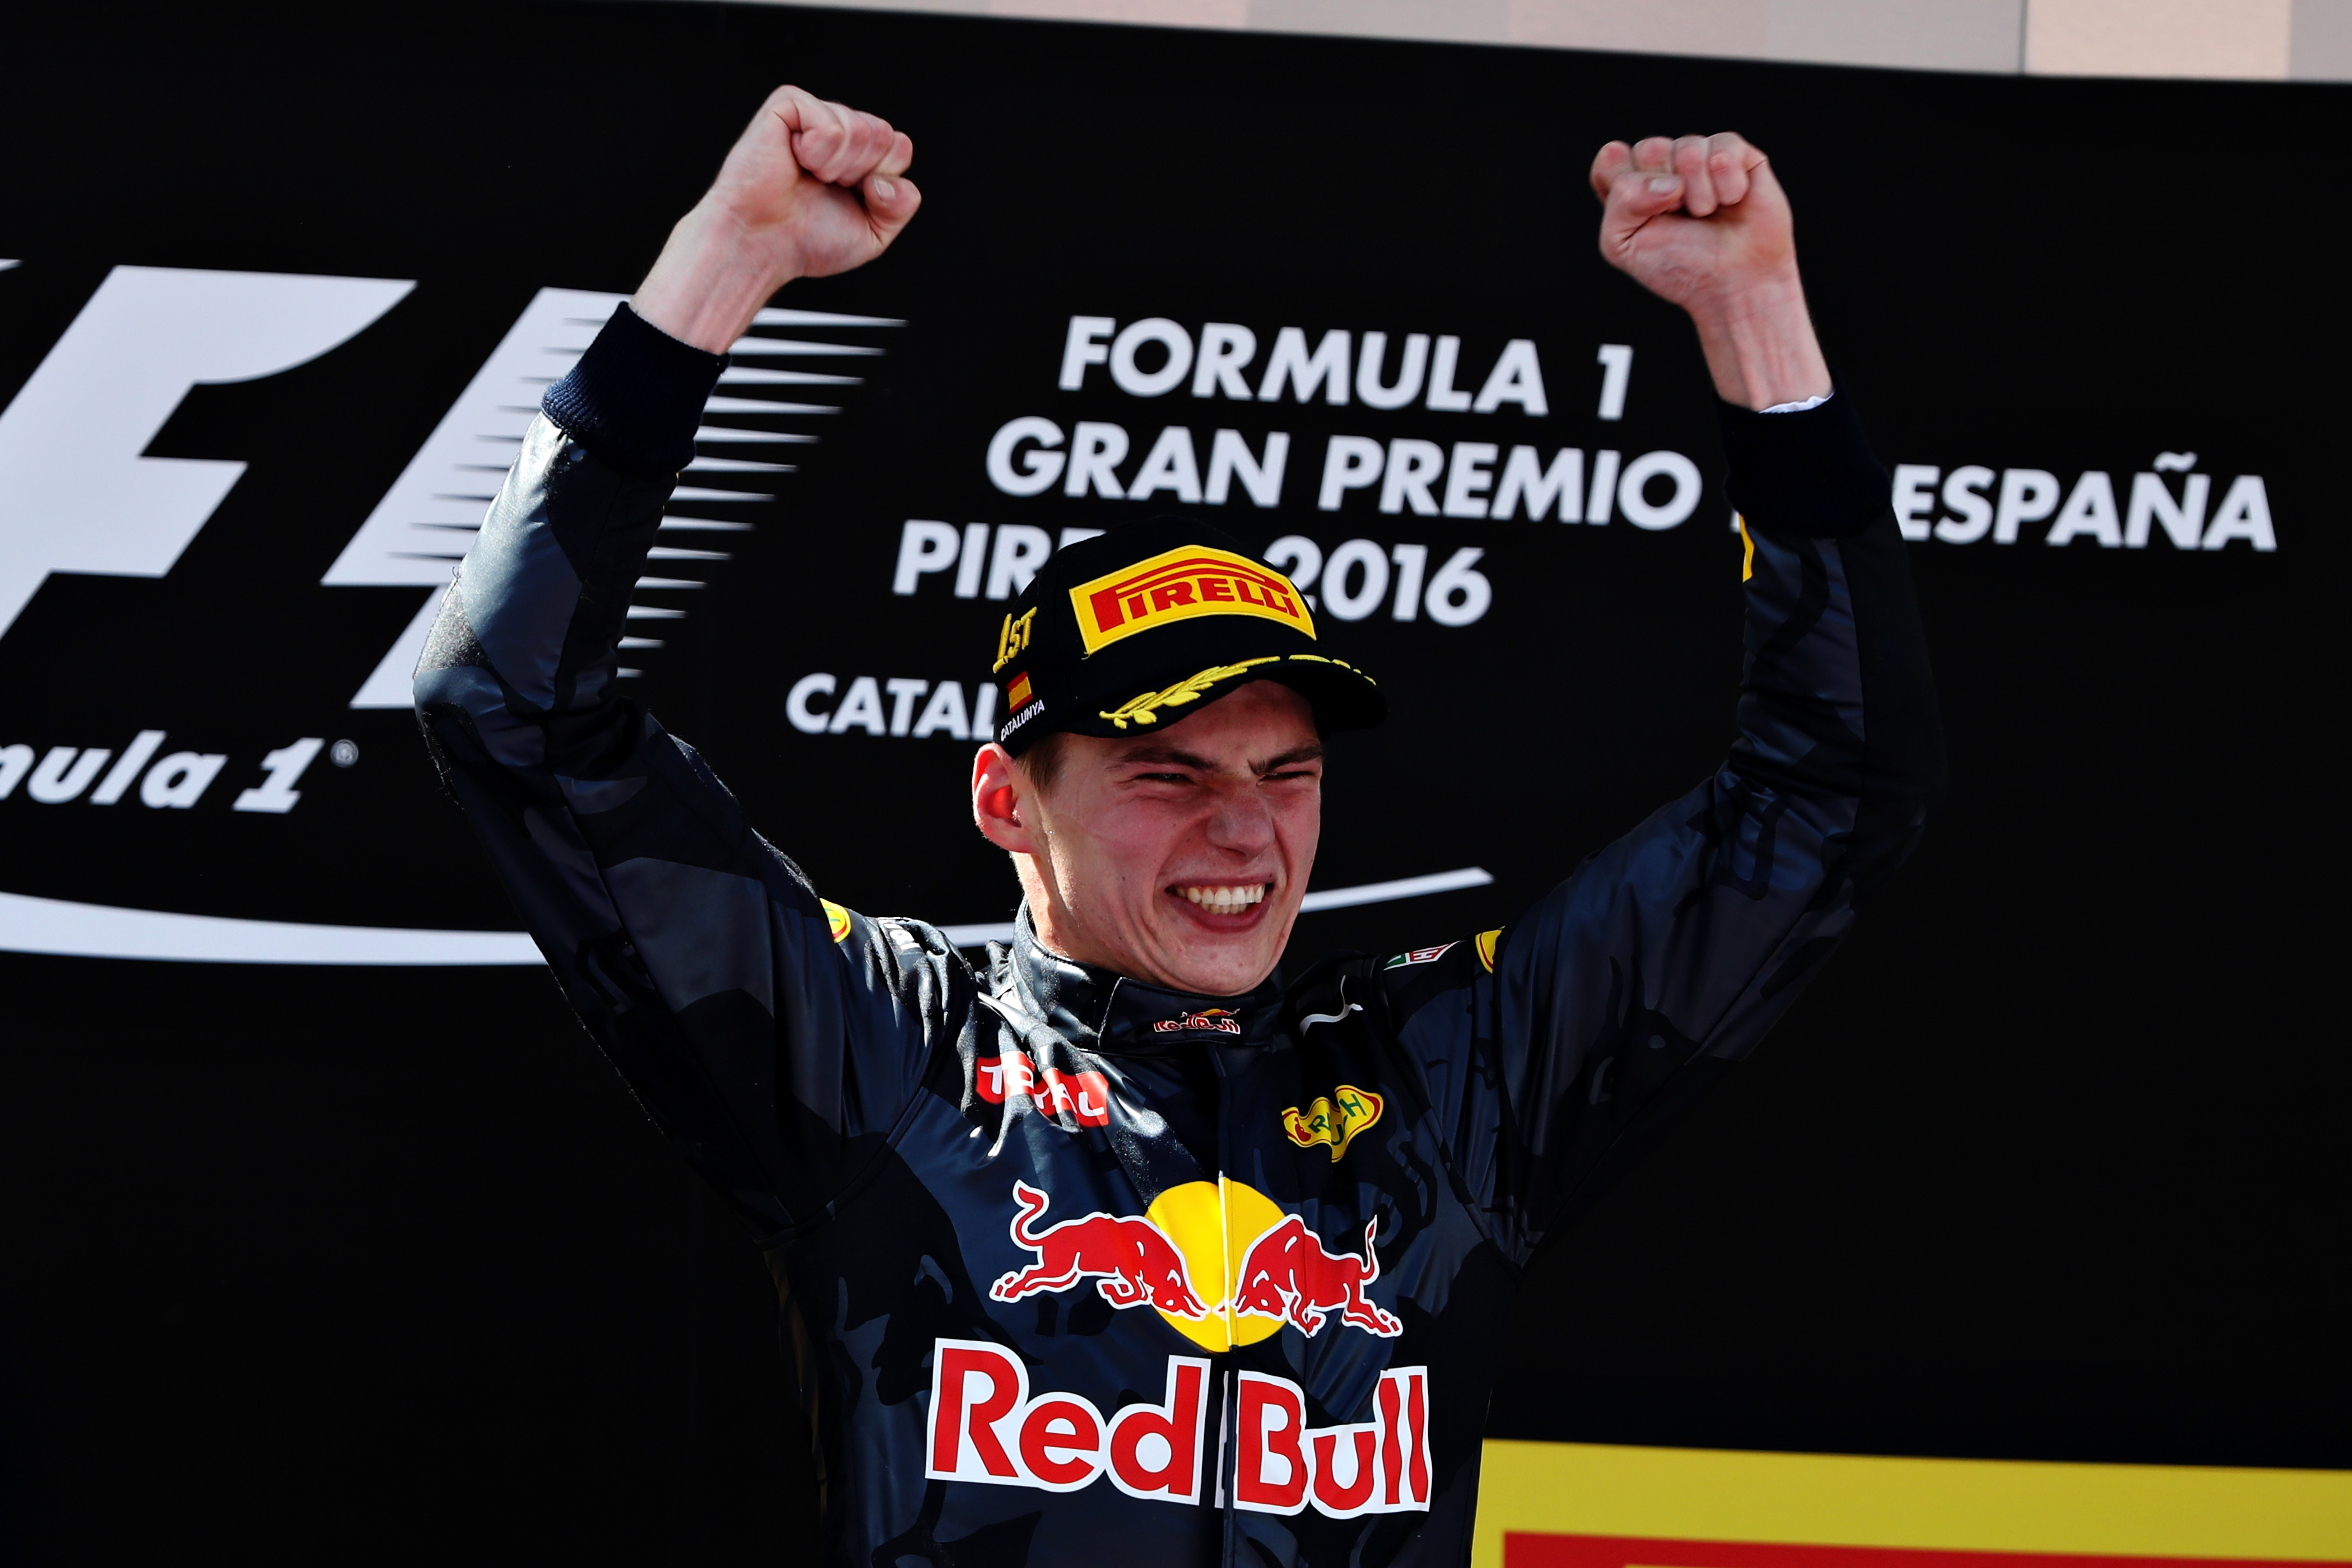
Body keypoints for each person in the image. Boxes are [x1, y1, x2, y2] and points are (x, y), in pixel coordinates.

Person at [414, 85, 1941, 1568]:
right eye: (1167, 774)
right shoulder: (883, 1050)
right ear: (1007, 798)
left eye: (1285, 773)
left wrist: (1759, 327)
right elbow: (511, 701)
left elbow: (1829, 794)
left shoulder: (1448, 1073)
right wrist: (722, 265)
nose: (1244, 832)